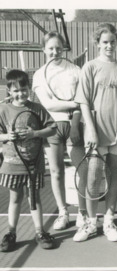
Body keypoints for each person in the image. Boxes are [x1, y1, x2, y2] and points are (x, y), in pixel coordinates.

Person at [74, 23, 117, 242]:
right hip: (95, 135)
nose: (109, 45)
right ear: (97, 43)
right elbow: (83, 103)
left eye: (112, 41)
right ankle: (92, 223)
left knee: (112, 176)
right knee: (92, 179)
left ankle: (109, 220)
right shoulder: (90, 67)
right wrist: (90, 130)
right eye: (104, 42)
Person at [32, 31, 87, 231]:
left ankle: (82, 213)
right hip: (52, 127)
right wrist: (73, 103)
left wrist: (75, 118)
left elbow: (84, 100)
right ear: (43, 50)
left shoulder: (75, 70)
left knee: (82, 170)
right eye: (50, 48)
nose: (55, 52)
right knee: (56, 172)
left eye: (58, 47)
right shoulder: (39, 74)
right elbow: (48, 105)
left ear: (63, 47)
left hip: (75, 126)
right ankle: (63, 212)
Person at [0, 70, 57, 251]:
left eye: (23, 89)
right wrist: (7, 136)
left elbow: (52, 128)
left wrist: (35, 133)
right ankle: (11, 232)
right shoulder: (3, 110)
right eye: (16, 90)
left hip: (34, 164)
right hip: (11, 164)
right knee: (15, 198)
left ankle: (40, 232)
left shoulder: (37, 109)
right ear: (8, 91)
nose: (20, 93)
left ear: (29, 89)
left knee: (35, 198)